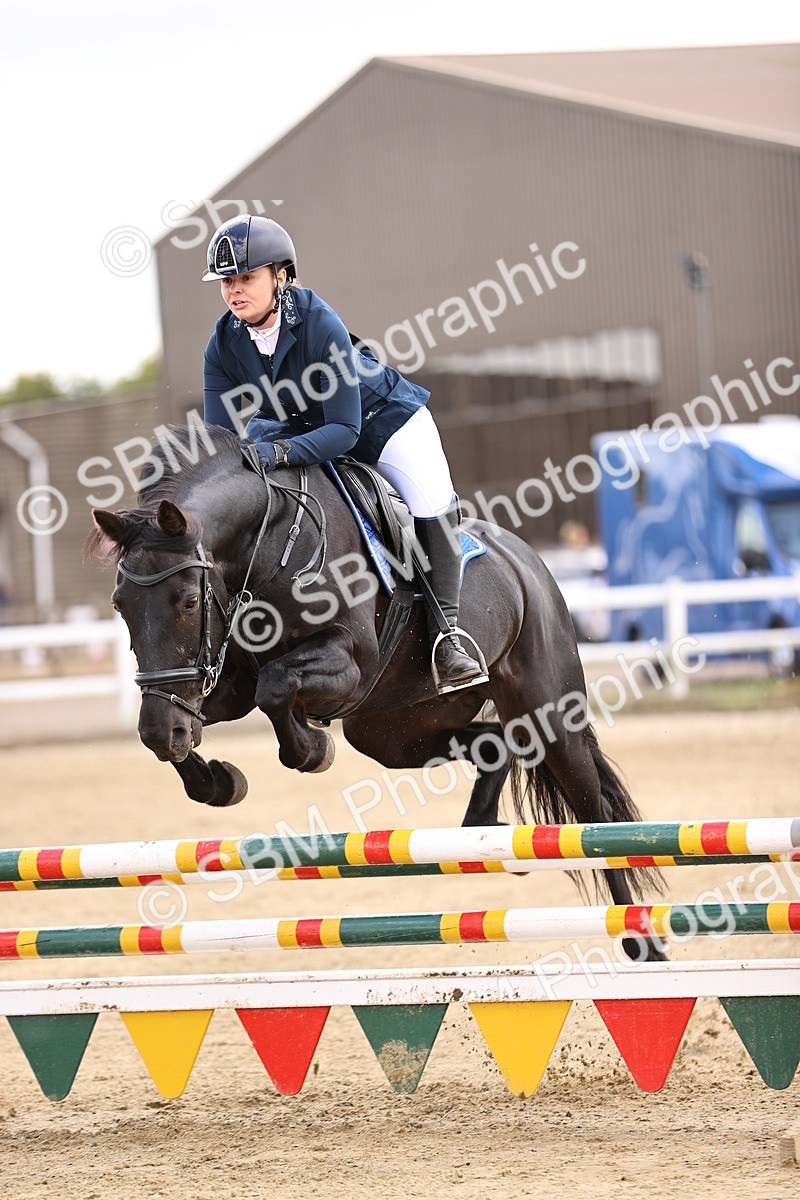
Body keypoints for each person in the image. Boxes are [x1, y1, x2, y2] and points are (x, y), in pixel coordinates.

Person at [202, 213, 487, 694]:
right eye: (227, 281)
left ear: (281, 276)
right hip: (297, 424)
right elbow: (217, 439)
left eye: (246, 277)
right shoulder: (223, 344)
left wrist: (275, 453)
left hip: (381, 422)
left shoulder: (318, 323)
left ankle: (448, 636)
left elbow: (344, 431)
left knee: (429, 502)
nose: (234, 290)